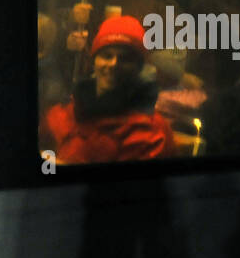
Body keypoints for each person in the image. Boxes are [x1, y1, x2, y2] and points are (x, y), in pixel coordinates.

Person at [41, 15, 173, 163]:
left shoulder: (152, 132)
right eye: (106, 55)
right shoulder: (62, 114)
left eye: (125, 59)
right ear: (94, 61)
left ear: (139, 67)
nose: (113, 64)